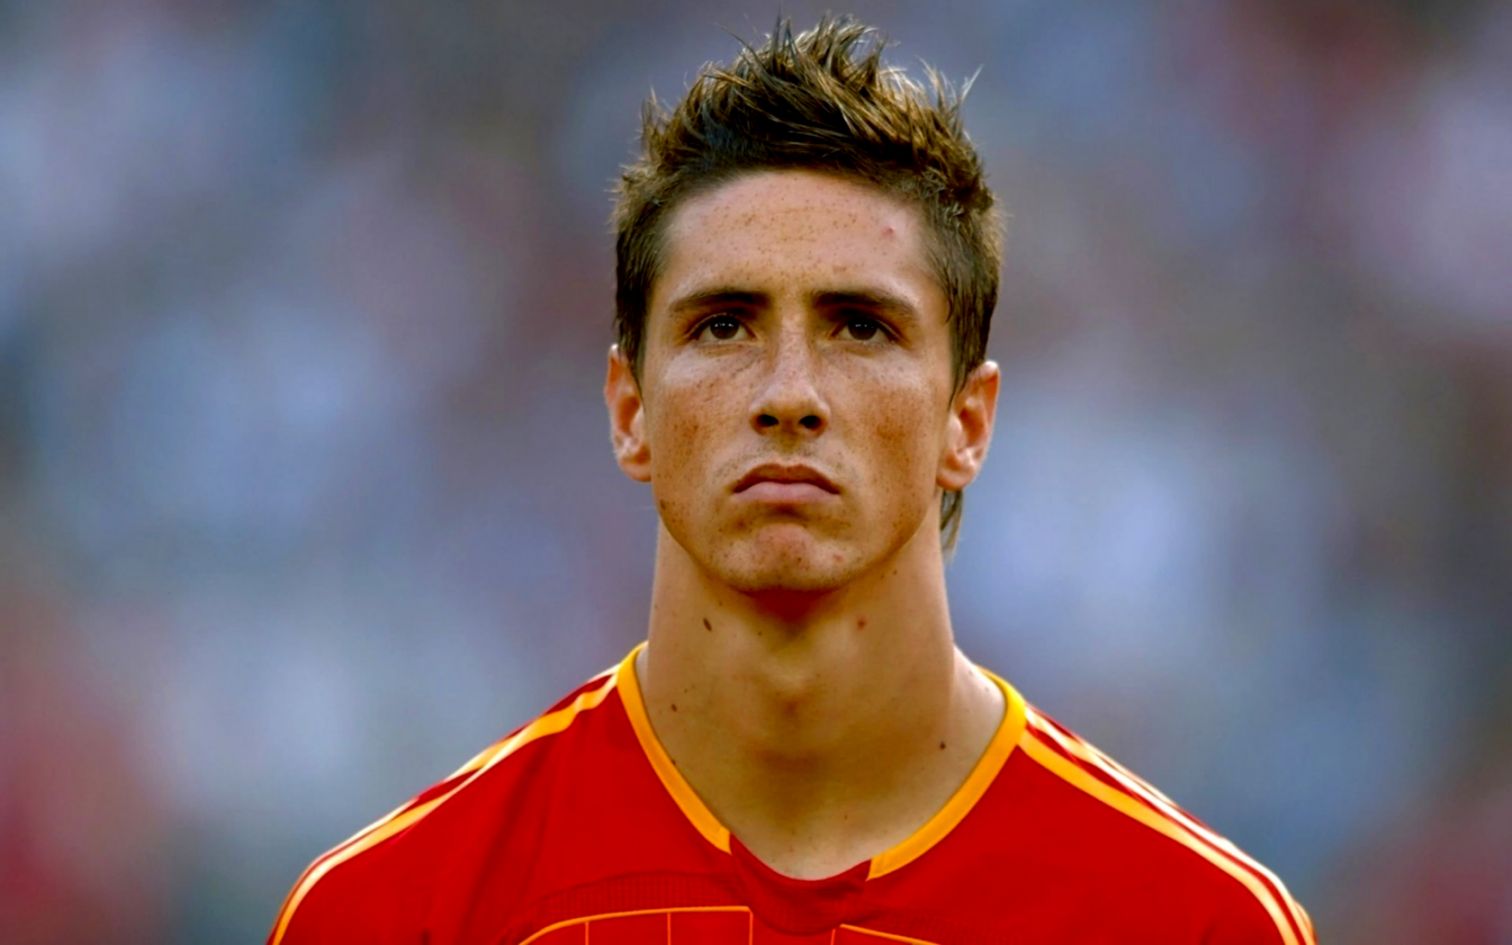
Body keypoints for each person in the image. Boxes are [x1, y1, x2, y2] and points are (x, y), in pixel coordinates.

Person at [268, 16, 1315, 944]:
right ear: (630, 410)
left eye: (860, 326)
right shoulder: (392, 916)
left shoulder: (1192, 923)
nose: (788, 395)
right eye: (724, 326)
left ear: (968, 421)